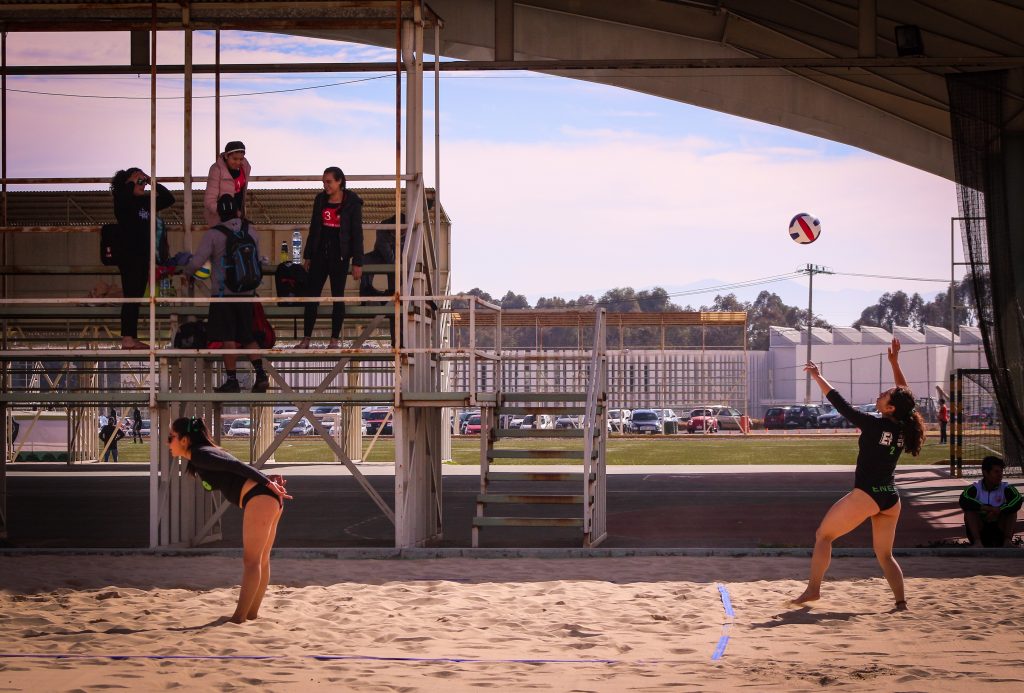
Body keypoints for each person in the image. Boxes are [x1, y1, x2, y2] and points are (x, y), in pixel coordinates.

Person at [793, 339, 925, 611]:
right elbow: (906, 397)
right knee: (885, 555)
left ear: (889, 408)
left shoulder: (874, 425)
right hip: (890, 498)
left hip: (867, 496)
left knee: (823, 536)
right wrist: (894, 363)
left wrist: (818, 376)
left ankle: (813, 590)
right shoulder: (904, 426)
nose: (879, 395)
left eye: (884, 396)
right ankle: (901, 603)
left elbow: (840, 404)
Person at [167, 416, 290, 623]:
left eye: (171, 437)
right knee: (260, 560)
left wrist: (268, 482)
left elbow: (237, 466)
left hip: (260, 498)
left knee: (252, 562)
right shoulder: (200, 457)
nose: (167, 442)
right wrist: (268, 481)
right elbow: (236, 471)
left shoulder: (201, 455)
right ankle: (250, 614)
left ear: (185, 440)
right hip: (264, 499)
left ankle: (239, 617)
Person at [183, 195, 269, 394]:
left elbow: (197, 262)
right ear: (238, 211)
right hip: (247, 294)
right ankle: (261, 375)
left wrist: (186, 273)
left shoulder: (214, 234)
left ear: (219, 214)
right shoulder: (251, 231)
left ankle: (232, 380)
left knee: (227, 337)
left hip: (224, 295)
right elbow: (257, 259)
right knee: (248, 336)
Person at [294, 167, 363, 349]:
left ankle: (334, 339)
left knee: (337, 296)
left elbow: (357, 233)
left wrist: (357, 261)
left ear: (339, 181)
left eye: (329, 182)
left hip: (340, 255)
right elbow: (314, 228)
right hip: (319, 254)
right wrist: (308, 255)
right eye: (324, 182)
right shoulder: (320, 200)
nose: (325, 185)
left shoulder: (352, 202)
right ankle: (306, 338)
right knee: (312, 295)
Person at [110, 167, 175, 350]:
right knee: (131, 295)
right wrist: (131, 180)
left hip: (144, 256)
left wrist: (151, 181)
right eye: (137, 181)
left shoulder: (146, 202)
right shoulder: (123, 201)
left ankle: (131, 337)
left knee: (136, 296)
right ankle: (128, 338)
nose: (141, 185)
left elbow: (169, 199)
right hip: (129, 255)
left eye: (142, 182)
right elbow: (123, 198)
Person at [960, 456, 1022, 547]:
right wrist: (985, 508)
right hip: (981, 531)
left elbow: (1018, 500)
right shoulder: (975, 488)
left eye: (1001, 471)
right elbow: (963, 499)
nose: (1000, 475)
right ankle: (977, 542)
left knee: (1012, 512)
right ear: (985, 473)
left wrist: (999, 510)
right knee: (969, 512)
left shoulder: (1006, 488)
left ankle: (1007, 541)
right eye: (996, 472)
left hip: (999, 531)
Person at [204, 141, 251, 226]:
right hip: (221, 221)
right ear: (226, 156)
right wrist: (225, 212)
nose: (238, 162)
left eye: (241, 159)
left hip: (238, 218)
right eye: (234, 159)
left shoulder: (245, 167)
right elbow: (209, 200)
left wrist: (239, 214)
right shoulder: (216, 170)